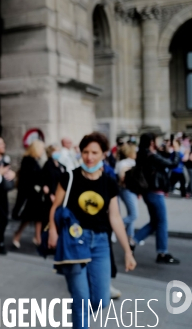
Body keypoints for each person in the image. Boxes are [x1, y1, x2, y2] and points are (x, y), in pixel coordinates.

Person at [48, 132, 137, 329]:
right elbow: (55, 207)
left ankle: (78, 317)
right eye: (86, 152)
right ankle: (80, 318)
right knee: (81, 299)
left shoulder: (108, 182)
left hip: (100, 244)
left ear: (104, 154)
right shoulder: (69, 177)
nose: (89, 157)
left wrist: (128, 251)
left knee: (101, 301)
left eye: (94, 152)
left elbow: (114, 217)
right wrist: (53, 230)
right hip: (74, 243)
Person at [133, 133, 181, 264]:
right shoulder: (150, 155)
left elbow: (163, 158)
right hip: (155, 192)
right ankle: (162, 252)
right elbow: (172, 164)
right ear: (151, 142)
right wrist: (176, 151)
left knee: (155, 222)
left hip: (149, 192)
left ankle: (133, 241)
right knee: (162, 222)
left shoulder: (143, 154)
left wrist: (166, 149)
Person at [12, 139, 45, 248]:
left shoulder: (34, 160)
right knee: (28, 217)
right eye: (41, 149)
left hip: (36, 194)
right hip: (31, 194)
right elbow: (27, 179)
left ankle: (38, 238)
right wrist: (37, 187)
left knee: (39, 217)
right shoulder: (28, 161)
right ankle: (18, 234)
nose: (42, 151)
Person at [115, 144, 138, 247]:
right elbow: (122, 177)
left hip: (130, 190)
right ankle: (115, 226)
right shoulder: (125, 163)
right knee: (134, 214)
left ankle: (129, 237)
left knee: (131, 214)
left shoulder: (128, 162)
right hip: (127, 190)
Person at [41, 144, 65, 229]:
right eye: (56, 151)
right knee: (48, 216)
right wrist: (50, 193)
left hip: (59, 193)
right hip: (51, 194)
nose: (58, 153)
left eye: (59, 151)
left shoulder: (61, 166)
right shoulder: (48, 165)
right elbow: (44, 180)